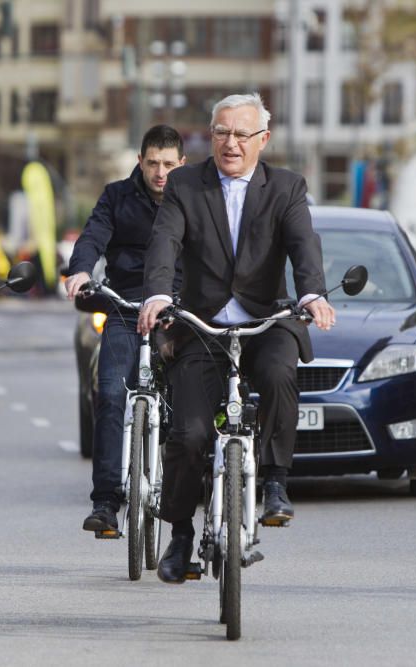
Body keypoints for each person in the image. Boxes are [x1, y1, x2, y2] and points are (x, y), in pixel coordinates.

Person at [137, 92, 336, 583]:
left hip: (264, 320)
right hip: (202, 326)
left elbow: (303, 245)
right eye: (221, 132)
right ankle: (181, 532)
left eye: (242, 134)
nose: (230, 143)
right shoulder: (185, 184)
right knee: (189, 435)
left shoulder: (286, 187)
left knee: (278, 373)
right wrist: (159, 294)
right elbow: (165, 241)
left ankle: (274, 482)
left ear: (262, 140)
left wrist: (312, 293)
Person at [63, 125, 186, 533]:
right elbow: (93, 236)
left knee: (193, 403)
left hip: (178, 311)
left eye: (169, 164)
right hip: (125, 308)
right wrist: (80, 271)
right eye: (153, 163)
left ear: (182, 163)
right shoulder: (117, 196)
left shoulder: (193, 198)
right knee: (111, 392)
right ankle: (105, 502)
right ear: (140, 160)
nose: (160, 172)